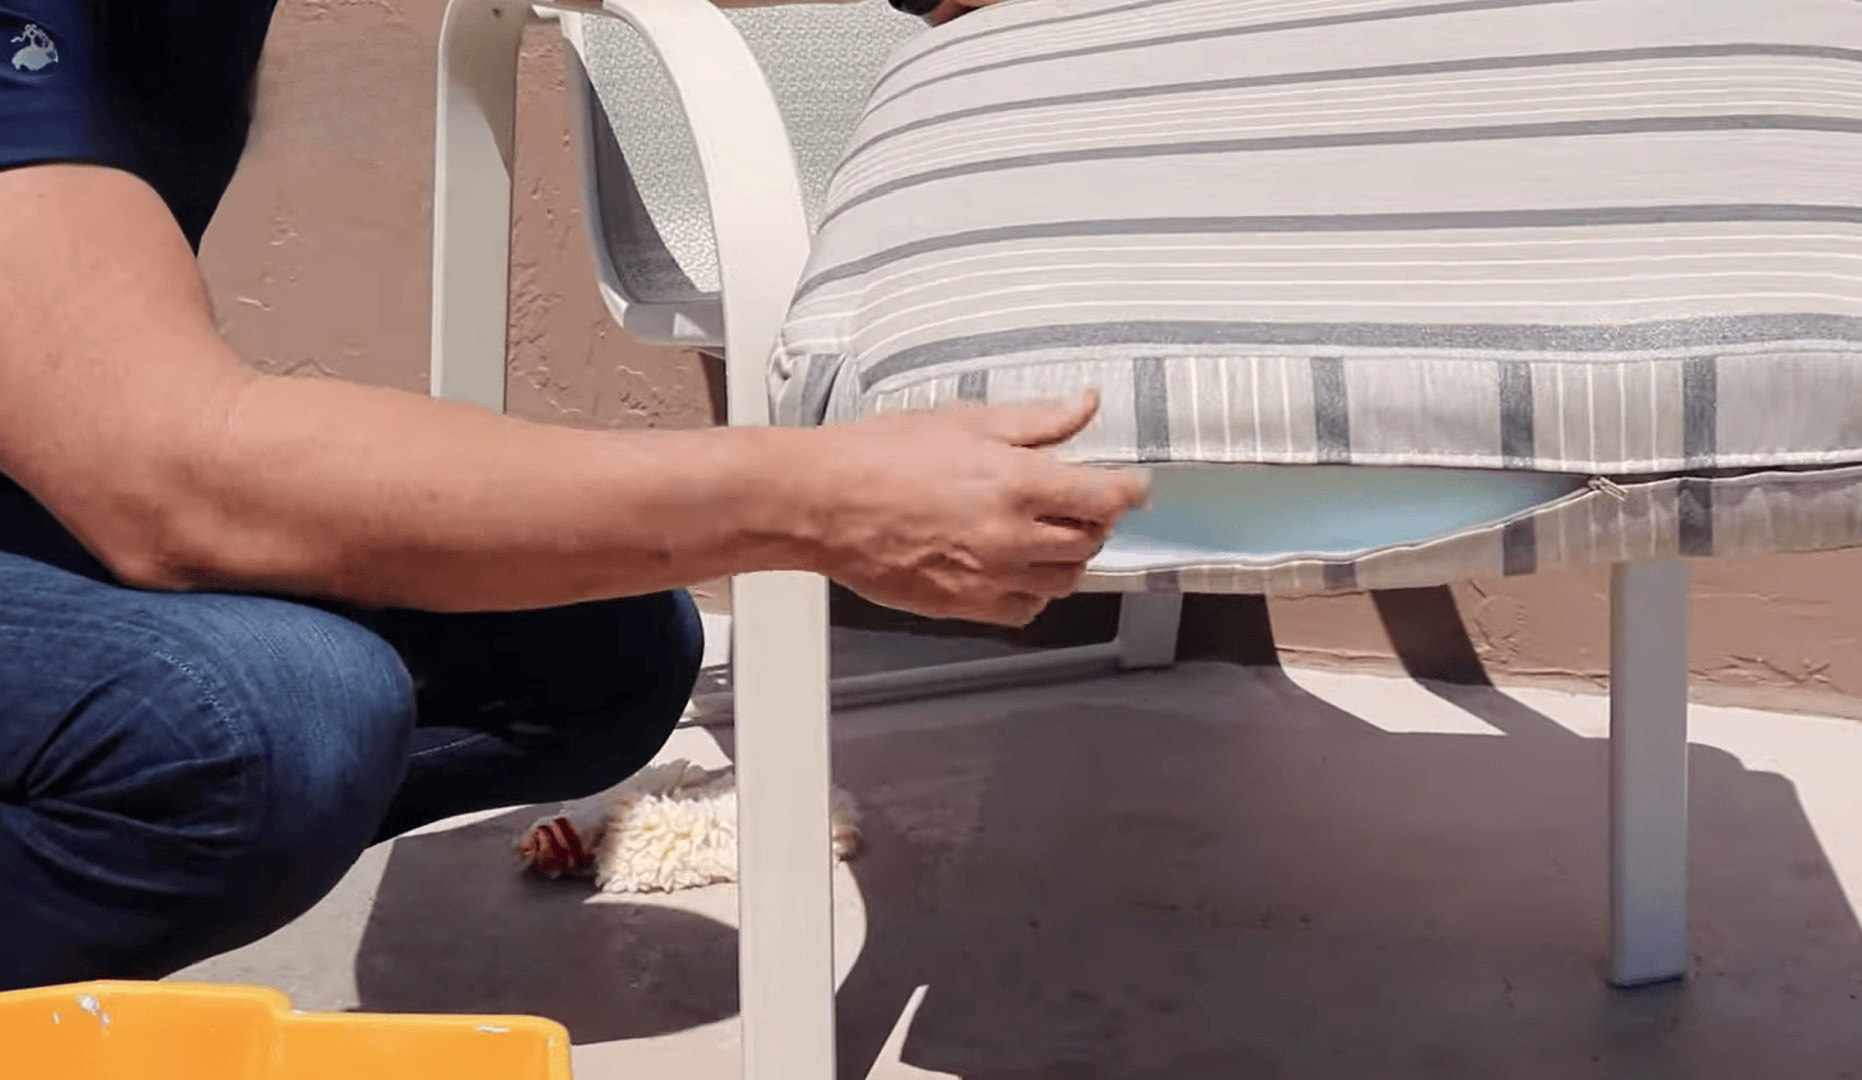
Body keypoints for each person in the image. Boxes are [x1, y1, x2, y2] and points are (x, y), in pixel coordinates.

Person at [0, 0, 1142, 989]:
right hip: (129, 464)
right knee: (255, 725)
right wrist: (814, 502)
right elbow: (175, 480)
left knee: (599, 655)